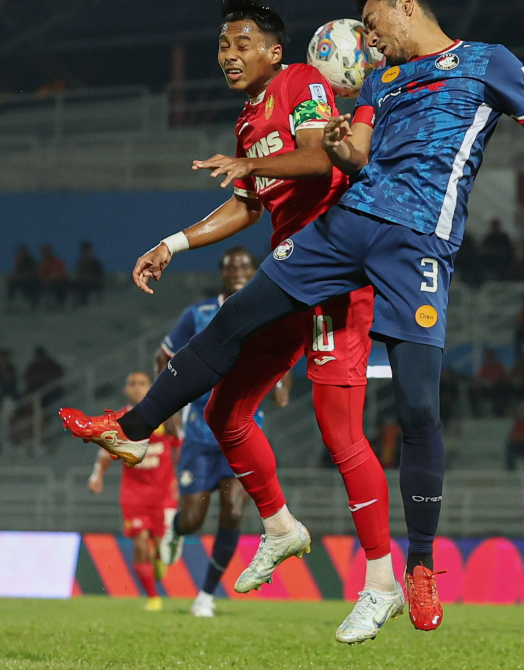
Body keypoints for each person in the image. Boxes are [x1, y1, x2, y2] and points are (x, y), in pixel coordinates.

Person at [61, 0, 524, 638]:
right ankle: (135, 428)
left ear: (405, 8)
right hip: (347, 227)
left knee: (418, 409)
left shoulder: (487, 63)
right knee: (234, 318)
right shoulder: (381, 82)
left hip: (419, 240)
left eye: (371, 18)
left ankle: (414, 568)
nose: (366, 33)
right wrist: (338, 144)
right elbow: (357, 154)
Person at [74, 1, 396, 643]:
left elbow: (319, 161)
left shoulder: (302, 81)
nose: (227, 54)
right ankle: (280, 528)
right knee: (224, 414)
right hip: (288, 274)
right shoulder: (250, 120)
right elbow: (247, 206)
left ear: (274, 51)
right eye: (222, 44)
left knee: (341, 434)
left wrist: (252, 166)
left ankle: (381, 580)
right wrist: (174, 243)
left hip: (332, 274)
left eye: (241, 42)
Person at [155, 247, 277, 618]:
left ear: (254, 271)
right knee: (193, 518)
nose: (240, 270)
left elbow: (279, 354)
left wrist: (283, 383)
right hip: (200, 435)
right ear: (222, 274)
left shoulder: (267, 311)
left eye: (245, 265)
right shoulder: (199, 314)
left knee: (234, 510)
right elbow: (165, 357)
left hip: (244, 432)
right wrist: (169, 406)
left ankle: (205, 594)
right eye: (232, 266)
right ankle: (175, 528)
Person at [87, 372, 179, 612]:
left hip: (163, 492)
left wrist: (180, 479)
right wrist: (97, 476)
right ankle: (153, 598)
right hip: (134, 493)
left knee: (162, 546)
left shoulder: (166, 416)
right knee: (139, 545)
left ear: (150, 387)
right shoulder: (119, 420)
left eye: (142, 383)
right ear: (126, 390)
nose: (137, 388)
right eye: (132, 384)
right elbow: (106, 451)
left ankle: (159, 556)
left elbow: (180, 447)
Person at [469, 349, 512, 417]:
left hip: (498, 389)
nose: (490, 358)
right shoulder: (484, 368)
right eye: (488, 356)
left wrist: (495, 382)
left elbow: (504, 378)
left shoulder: (499, 367)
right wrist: (484, 383)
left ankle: (499, 412)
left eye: (491, 356)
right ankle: (477, 414)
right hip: (486, 389)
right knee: (473, 392)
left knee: (500, 391)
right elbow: (479, 379)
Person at [73, 242, 105, 306]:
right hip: (82, 282)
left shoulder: (95, 262)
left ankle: (83, 303)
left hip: (93, 283)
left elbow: (99, 275)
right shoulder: (80, 262)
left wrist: (90, 277)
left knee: (82, 286)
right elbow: (79, 273)